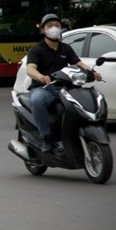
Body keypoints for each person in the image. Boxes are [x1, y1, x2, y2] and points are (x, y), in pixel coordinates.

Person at [26, 13, 101, 151]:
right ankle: (46, 137)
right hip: (44, 88)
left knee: (89, 97)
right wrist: (40, 76)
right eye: (50, 26)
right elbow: (30, 69)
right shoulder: (36, 50)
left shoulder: (66, 48)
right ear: (43, 30)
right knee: (37, 100)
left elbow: (79, 63)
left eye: (57, 25)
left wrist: (93, 72)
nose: (54, 28)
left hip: (65, 88)